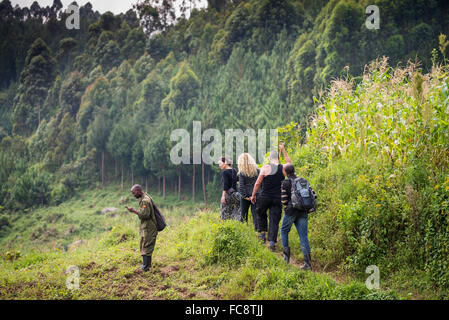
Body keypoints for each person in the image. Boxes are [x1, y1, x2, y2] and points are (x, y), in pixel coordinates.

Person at [250, 144, 290, 251]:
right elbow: (290, 164)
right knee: (274, 219)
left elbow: (258, 183)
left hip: (264, 197)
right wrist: (283, 150)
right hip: (277, 198)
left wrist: (253, 195)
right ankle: (272, 242)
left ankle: (262, 235)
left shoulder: (266, 167)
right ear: (278, 158)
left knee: (261, 213)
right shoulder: (283, 168)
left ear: (269, 158)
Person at [280, 163, 315, 270]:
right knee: (303, 236)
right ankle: (307, 264)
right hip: (304, 211)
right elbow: (314, 195)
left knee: (284, 230)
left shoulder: (285, 183)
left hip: (291, 211)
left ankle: (286, 257)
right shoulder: (303, 181)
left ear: (285, 172)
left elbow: (284, 200)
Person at [126, 184, 158, 272]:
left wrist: (134, 211)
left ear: (138, 191)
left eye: (134, 193)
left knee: (146, 246)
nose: (133, 195)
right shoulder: (145, 197)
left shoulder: (145, 201)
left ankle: (145, 267)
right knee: (144, 245)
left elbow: (145, 214)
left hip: (149, 228)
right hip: (147, 227)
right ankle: (146, 265)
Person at [237, 153, 260, 229]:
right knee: (256, 215)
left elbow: (241, 185)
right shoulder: (257, 171)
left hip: (245, 197)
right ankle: (258, 233)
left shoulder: (242, 173)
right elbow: (260, 183)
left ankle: (244, 232)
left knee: (243, 216)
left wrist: (245, 196)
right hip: (256, 195)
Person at [219, 156, 241, 221]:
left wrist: (223, 196)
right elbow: (238, 180)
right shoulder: (234, 170)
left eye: (220, 163)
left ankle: (225, 226)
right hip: (236, 194)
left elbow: (225, 185)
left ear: (225, 163)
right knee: (235, 211)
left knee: (224, 213)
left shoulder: (225, 172)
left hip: (228, 195)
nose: (219, 165)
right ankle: (235, 223)